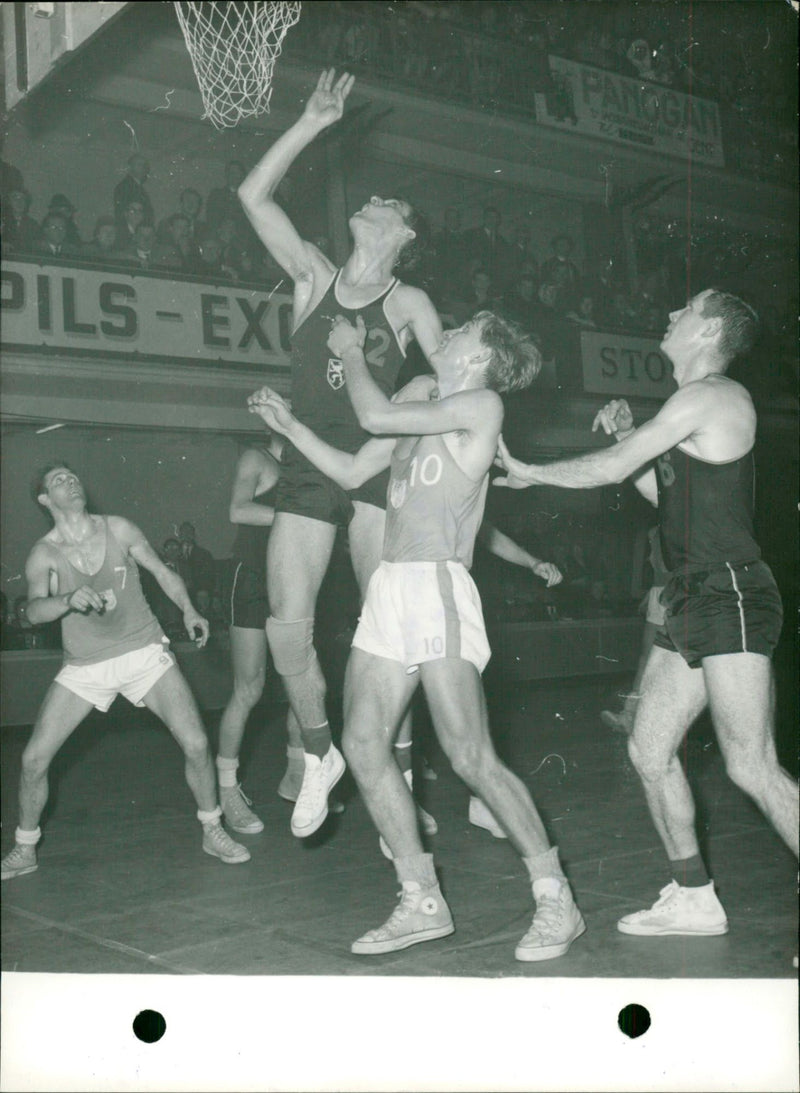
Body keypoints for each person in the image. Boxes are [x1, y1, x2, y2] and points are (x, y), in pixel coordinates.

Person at [249, 308, 586, 963]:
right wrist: (289, 424)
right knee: (364, 742)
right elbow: (351, 472)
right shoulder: (424, 408)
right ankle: (421, 896)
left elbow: (372, 414)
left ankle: (555, 897)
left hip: (437, 585)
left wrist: (349, 352)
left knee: (469, 753)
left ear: (481, 353)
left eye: (461, 331)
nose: (448, 333)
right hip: (392, 588)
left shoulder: (481, 405)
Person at [494, 288, 797, 938]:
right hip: (691, 593)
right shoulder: (690, 407)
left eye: (682, 310)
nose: (667, 315)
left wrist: (531, 471)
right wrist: (630, 437)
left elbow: (611, 470)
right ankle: (693, 895)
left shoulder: (713, 393)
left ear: (709, 328)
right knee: (649, 747)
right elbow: (662, 494)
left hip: (730, 591)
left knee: (751, 763)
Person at [238, 69, 444, 840]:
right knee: (287, 628)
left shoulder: (410, 304)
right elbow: (253, 200)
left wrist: (425, 386)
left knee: (388, 627)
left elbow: (455, 375)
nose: (369, 202)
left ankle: (400, 771)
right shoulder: (315, 276)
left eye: (384, 204)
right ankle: (321, 752)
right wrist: (308, 125)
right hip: (304, 465)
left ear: (404, 234)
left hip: (370, 475)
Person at [0, 464, 249, 882]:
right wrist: (66, 599)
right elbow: (33, 613)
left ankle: (212, 828)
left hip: (143, 651)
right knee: (32, 760)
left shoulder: (118, 528)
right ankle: (25, 848)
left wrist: (190, 609)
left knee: (196, 741)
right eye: (58, 481)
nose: (71, 482)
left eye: (73, 476)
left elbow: (163, 573)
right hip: (85, 665)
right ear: (45, 500)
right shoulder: (44, 553)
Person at [215, 435, 340, 834]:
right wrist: (297, 518)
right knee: (249, 688)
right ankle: (227, 789)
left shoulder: (313, 464)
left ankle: (296, 773)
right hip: (252, 577)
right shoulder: (257, 457)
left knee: (299, 675)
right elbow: (237, 510)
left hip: (293, 578)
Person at [601, 525, 668, 735]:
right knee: (646, 658)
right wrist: (653, 592)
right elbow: (659, 566)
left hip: (683, 593)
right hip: (661, 593)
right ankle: (630, 715)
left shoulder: (690, 522)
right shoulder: (654, 531)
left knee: (678, 660)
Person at [178, 523, 216, 618]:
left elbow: (209, 576)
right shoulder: (173, 552)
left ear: (194, 535)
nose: (187, 534)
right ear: (179, 534)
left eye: (189, 532)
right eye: (184, 532)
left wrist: (200, 589)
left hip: (198, 592)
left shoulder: (204, 554)